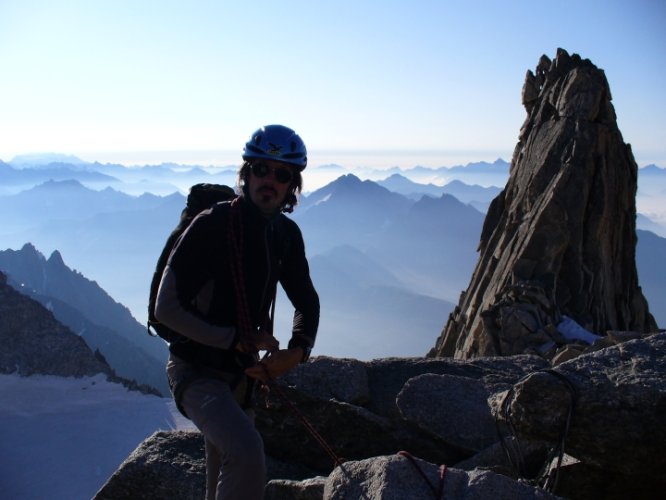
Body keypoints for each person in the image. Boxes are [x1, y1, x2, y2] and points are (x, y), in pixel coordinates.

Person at [154, 124, 320, 500]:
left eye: (281, 174)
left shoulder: (286, 235)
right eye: (261, 169)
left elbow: (306, 300)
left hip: (239, 378)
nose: (269, 180)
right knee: (245, 452)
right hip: (195, 371)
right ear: (245, 173)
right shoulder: (211, 225)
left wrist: (296, 352)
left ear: (292, 186)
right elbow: (166, 308)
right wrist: (235, 339)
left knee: (229, 470)